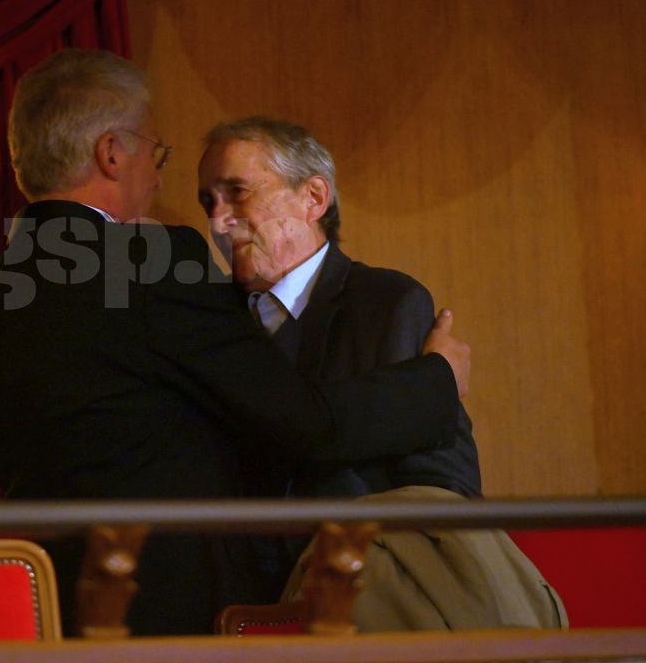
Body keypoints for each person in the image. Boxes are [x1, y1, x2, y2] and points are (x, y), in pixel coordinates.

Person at [0, 48, 470, 637]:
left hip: (46, 614)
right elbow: (309, 424)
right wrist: (439, 377)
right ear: (113, 153)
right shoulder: (151, 261)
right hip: (184, 616)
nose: (158, 173)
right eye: (155, 151)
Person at [197, 116, 565, 630]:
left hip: (361, 609)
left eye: (237, 192)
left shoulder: (387, 304)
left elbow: (444, 485)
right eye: (209, 201)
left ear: (314, 197)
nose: (218, 220)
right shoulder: (201, 321)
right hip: (225, 610)